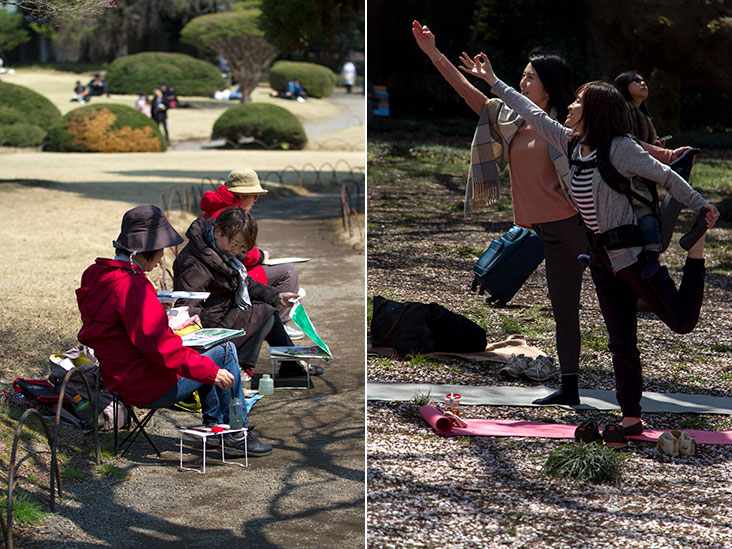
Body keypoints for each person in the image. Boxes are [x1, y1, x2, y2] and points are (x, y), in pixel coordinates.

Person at [460, 51, 720, 437]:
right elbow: (531, 112)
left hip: (630, 255)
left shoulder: (619, 148)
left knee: (682, 323)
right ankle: (631, 418)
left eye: (579, 102)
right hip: (601, 260)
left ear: (594, 110)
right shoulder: (570, 143)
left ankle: (694, 250)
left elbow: (667, 176)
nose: (570, 104)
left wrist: (702, 206)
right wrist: (493, 80)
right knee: (621, 342)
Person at [412, 20, 588, 405]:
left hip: (569, 230)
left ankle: (571, 389)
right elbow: (468, 93)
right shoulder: (511, 121)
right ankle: (571, 388)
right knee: (548, 304)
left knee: (568, 308)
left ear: (549, 84)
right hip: (537, 231)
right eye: (522, 77)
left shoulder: (563, 128)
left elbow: (622, 146)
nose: (523, 83)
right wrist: (432, 52)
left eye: (530, 78)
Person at [75, 205, 273, 456]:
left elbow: (127, 331)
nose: (160, 261)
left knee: (205, 352)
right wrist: (211, 372)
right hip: (146, 385)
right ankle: (235, 433)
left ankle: (216, 427)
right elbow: (161, 348)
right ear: (146, 250)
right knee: (224, 350)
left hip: (116, 378)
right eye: (160, 253)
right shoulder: (133, 286)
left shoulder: (95, 275)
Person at [173, 207, 324, 378]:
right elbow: (187, 305)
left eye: (242, 247)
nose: (237, 251)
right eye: (235, 244)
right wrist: (197, 349)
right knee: (264, 312)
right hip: (210, 325)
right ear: (218, 232)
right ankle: (244, 366)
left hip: (225, 313)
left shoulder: (224, 253)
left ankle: (290, 365)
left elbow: (243, 283)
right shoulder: (196, 263)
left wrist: (276, 296)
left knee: (265, 310)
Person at [199, 168, 303, 340]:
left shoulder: (219, 209)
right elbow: (241, 253)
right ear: (242, 196)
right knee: (288, 272)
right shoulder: (231, 214)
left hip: (225, 272)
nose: (255, 200)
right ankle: (281, 323)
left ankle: (277, 324)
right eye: (255, 196)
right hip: (230, 275)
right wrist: (262, 256)